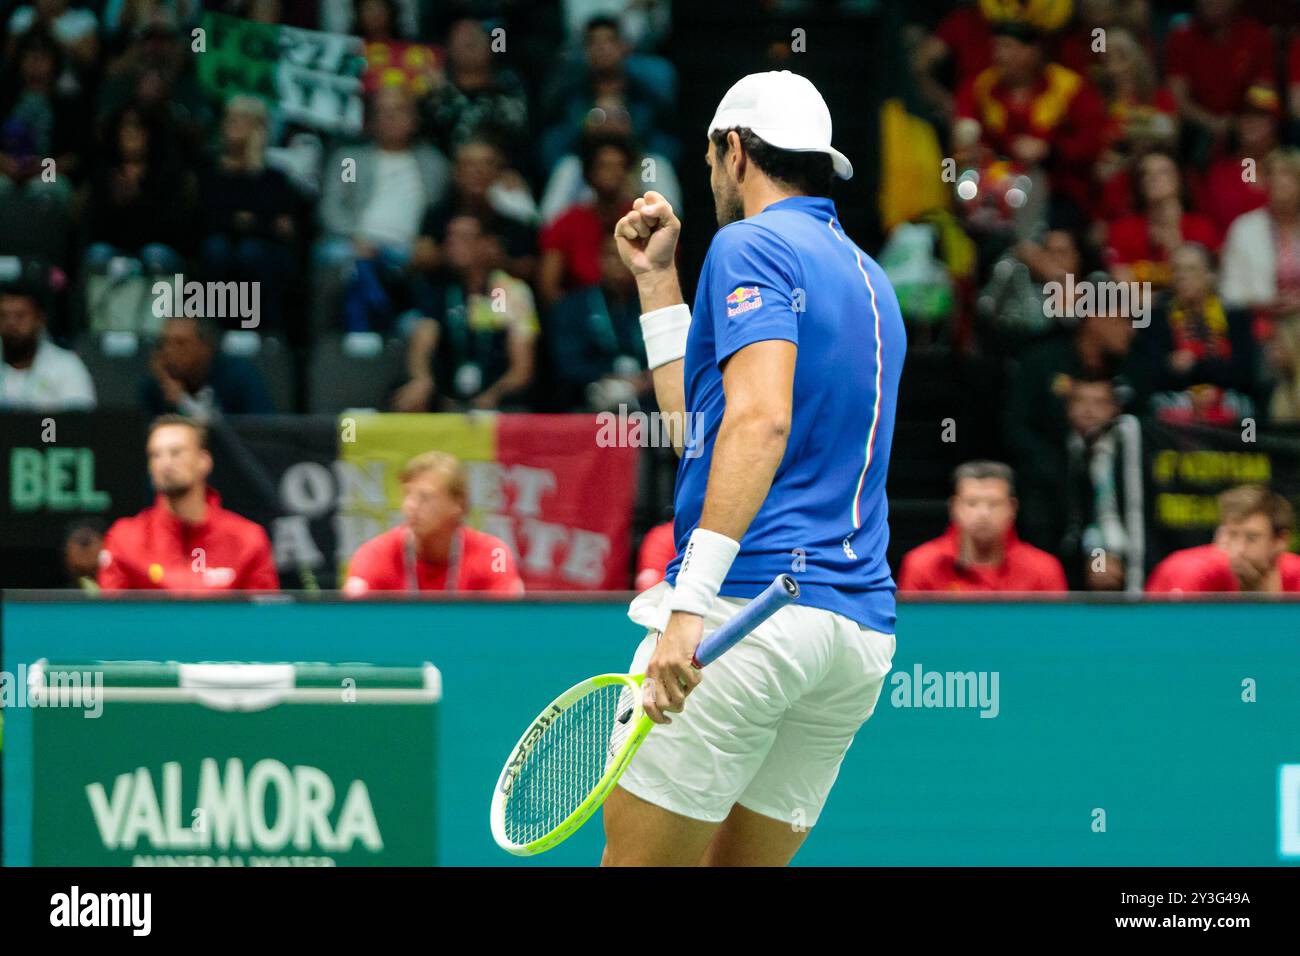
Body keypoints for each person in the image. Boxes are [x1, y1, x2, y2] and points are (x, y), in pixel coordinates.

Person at [604, 71, 904, 867]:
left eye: (710, 158)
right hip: (853, 637)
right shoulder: (872, 280)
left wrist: (690, 604)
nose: (709, 175)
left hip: (745, 615)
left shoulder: (750, 244)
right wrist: (657, 280)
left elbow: (760, 421)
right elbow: (702, 431)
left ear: (734, 150)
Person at [98, 415, 279, 591]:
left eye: (176, 452)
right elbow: (110, 610)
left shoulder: (248, 540)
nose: (165, 463)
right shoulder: (124, 538)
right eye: (156, 455)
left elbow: (265, 610)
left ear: (203, 461)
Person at [343, 451, 523, 594]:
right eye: (407, 494)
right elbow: (352, 623)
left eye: (425, 497)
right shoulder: (373, 555)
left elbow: (508, 623)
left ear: (458, 504)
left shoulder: (495, 555)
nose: (410, 506)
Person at [897, 461, 1067, 593]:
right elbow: (912, 627)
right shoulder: (921, 565)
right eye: (972, 503)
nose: (983, 513)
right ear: (955, 507)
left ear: (1012, 508)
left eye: (994, 503)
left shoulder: (1044, 570)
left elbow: (1057, 627)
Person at [1147, 485, 1300, 593]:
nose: (1238, 549)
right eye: (1232, 535)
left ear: (1280, 540)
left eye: (1251, 538)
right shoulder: (1191, 572)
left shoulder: (1296, 573)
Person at [142, 316, 274, 418]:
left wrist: (182, 402)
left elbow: (261, 431)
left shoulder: (239, 376)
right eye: (164, 343)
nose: (169, 351)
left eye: (180, 343)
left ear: (206, 347)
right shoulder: (157, 384)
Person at [0, 287, 96, 410]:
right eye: (3, 316)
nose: (11, 323)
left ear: (39, 319)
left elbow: (78, 418)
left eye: (20, 316)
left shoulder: (66, 364)